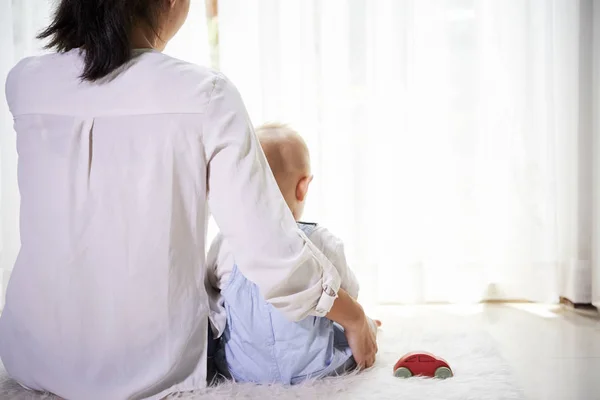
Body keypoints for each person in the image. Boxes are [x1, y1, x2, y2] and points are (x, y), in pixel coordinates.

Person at [0, 1, 377, 399]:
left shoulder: (26, 82)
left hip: (34, 358)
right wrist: (353, 317)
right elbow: (267, 250)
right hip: (148, 370)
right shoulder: (204, 93)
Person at [206, 123, 381, 384]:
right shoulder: (321, 241)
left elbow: (212, 290)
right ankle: (369, 325)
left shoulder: (225, 244)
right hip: (317, 369)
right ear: (303, 186)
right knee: (354, 324)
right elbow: (350, 292)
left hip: (241, 371)